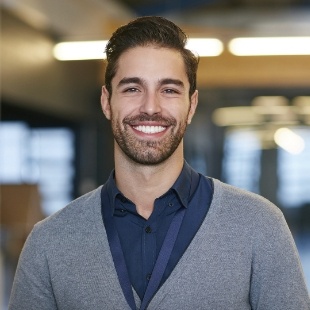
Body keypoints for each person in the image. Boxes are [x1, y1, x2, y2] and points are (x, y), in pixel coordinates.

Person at [9, 16, 310, 310]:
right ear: (106, 102)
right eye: (132, 88)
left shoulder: (260, 225)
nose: (150, 107)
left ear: (190, 105)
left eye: (168, 90)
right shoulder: (49, 242)